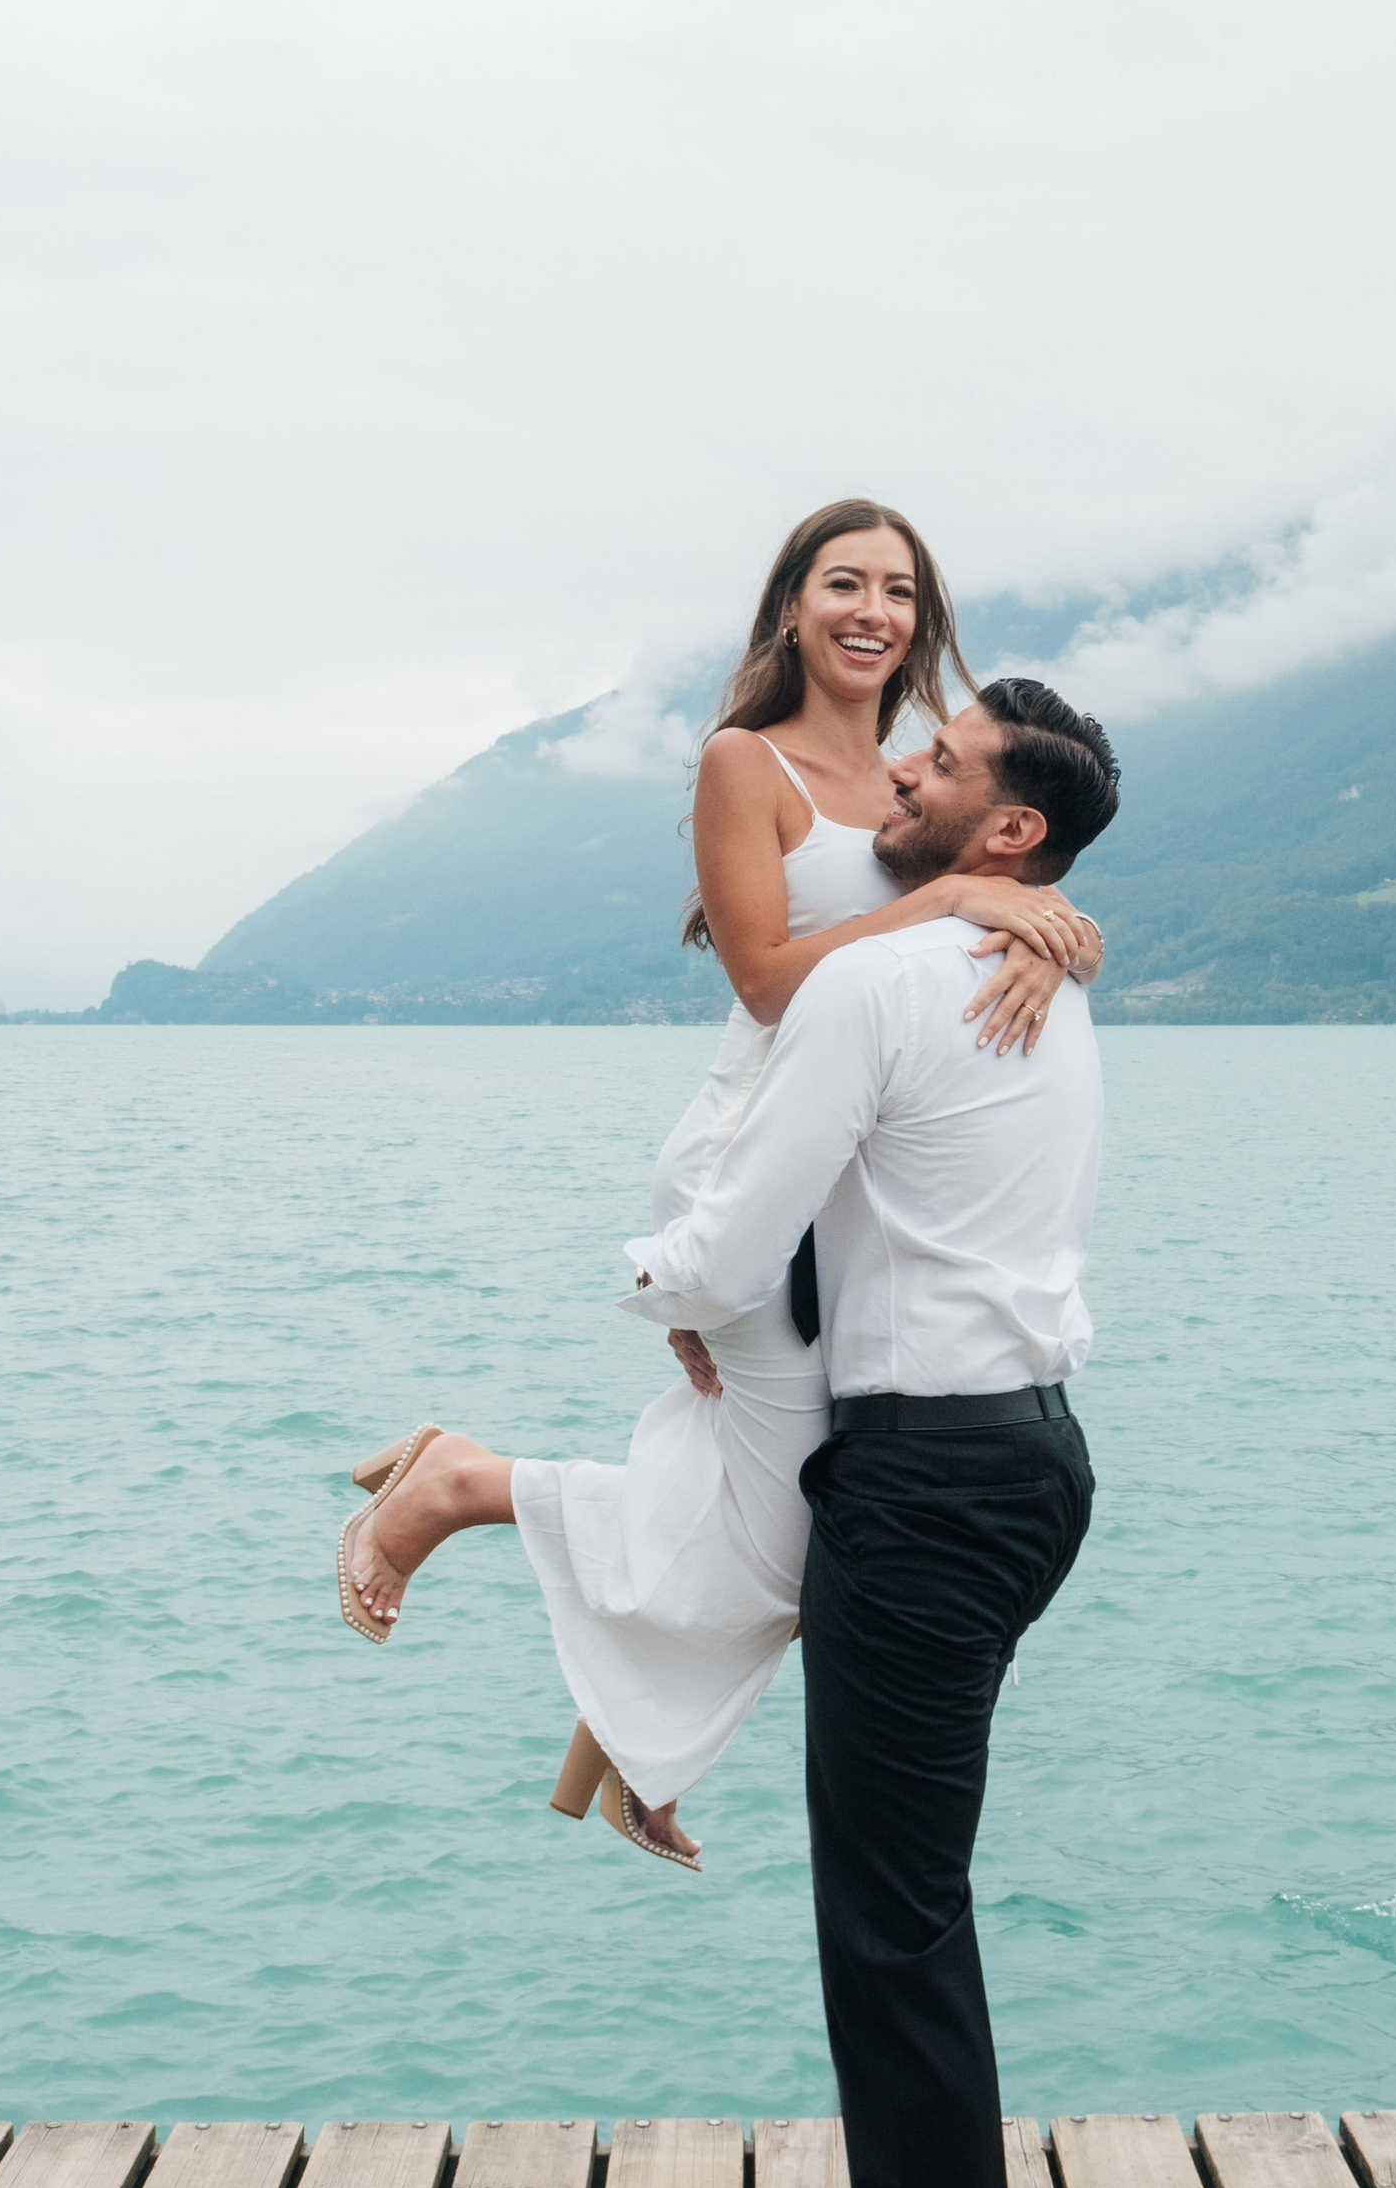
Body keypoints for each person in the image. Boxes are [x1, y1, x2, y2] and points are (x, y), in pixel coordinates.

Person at [334, 502, 1102, 1868]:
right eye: (843, 583)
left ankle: (623, 1742)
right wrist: (943, 908)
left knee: (804, 1508)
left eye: (900, 590)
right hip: (756, 1147)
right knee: (808, 1523)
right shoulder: (744, 763)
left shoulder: (928, 782)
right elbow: (764, 974)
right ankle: (461, 1488)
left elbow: (1018, 885)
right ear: (792, 605)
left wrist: (1049, 944)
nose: (873, 610)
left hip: (859, 1184)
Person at [629, 676, 1121, 2188]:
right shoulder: (1028, 975)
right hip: (1010, 1459)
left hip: (930, 1482)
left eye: (941, 760)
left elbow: (737, 1241)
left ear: (1006, 836)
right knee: (910, 1922)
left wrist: (651, 1278)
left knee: (894, 1934)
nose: (896, 766)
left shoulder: (891, 979)